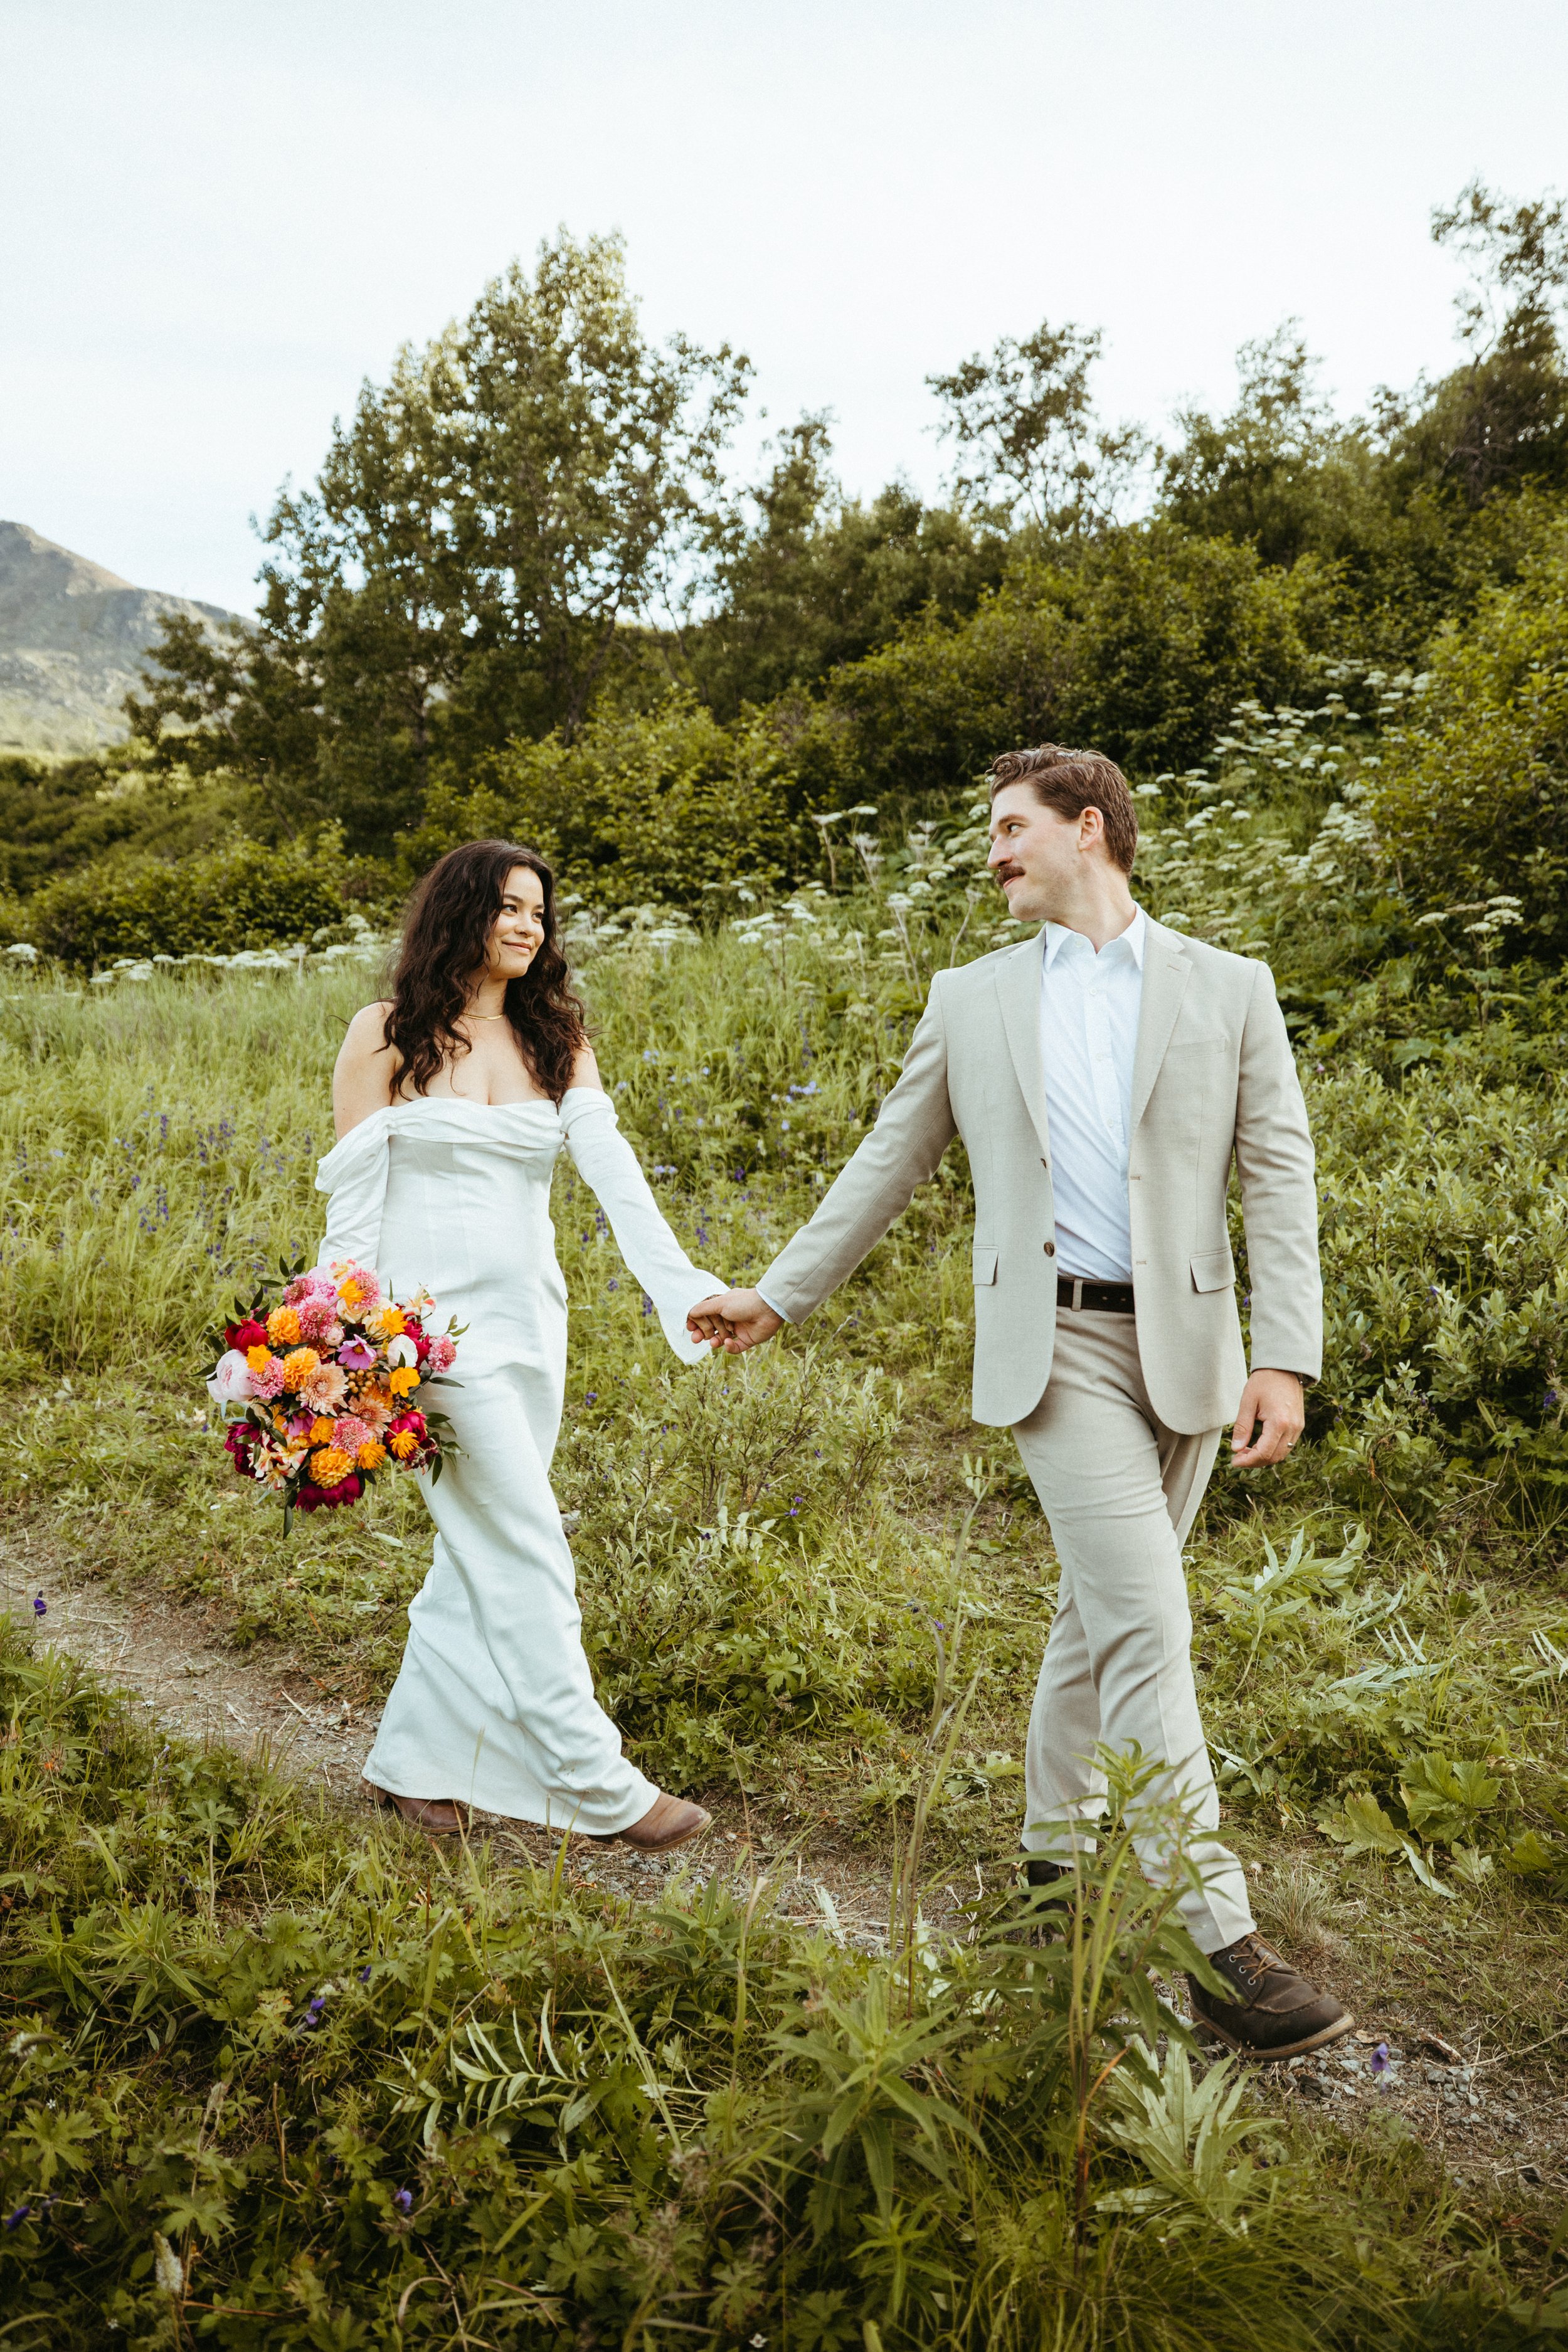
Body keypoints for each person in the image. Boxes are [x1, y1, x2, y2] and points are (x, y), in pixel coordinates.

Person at [689, 745, 1353, 2058]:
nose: (989, 851)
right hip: (1051, 1354)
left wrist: (1281, 1356)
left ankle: (1048, 1876)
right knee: (1148, 1626)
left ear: (1088, 829)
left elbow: (1277, 1177)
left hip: (1190, 1352)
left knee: (1096, 1619)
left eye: (1008, 827)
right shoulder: (972, 997)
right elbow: (891, 1153)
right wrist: (779, 1295)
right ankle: (1216, 1945)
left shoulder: (1227, 988)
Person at [318, 839, 718, 1851]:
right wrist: (334, 1338)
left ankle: (410, 1761)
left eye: (538, 909)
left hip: (533, 1323)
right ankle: (598, 1778)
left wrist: (687, 1288)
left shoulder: (557, 1039)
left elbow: (613, 1171)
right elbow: (353, 1211)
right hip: (424, 1340)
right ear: (459, 912)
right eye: (506, 904)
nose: (527, 924)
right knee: (528, 1542)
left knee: (483, 1542)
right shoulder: (387, 1034)